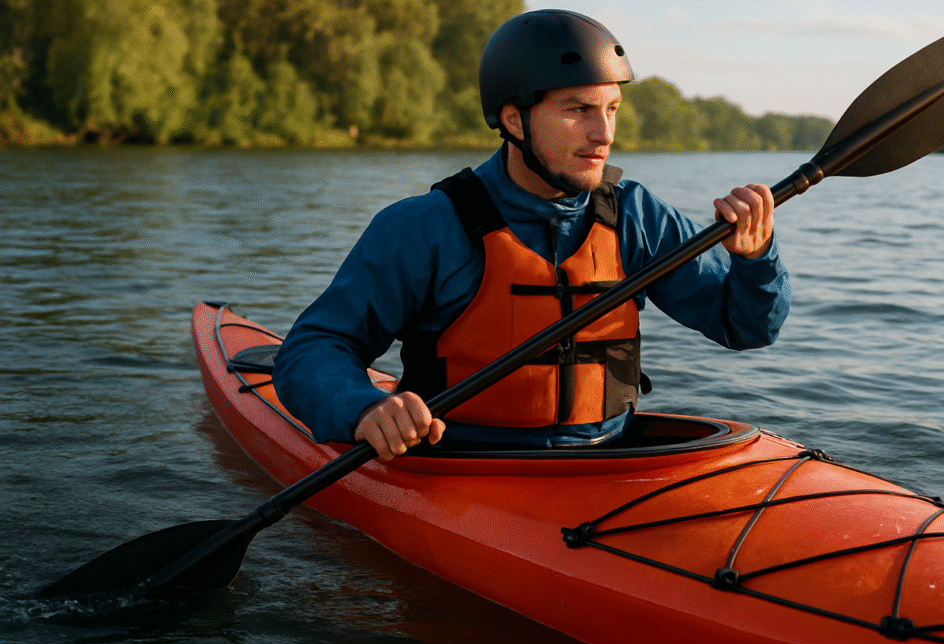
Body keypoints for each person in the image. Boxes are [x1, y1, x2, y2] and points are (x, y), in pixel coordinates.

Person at [272, 9, 791, 460]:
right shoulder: (425, 227)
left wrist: (756, 258)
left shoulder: (635, 216)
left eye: (611, 109)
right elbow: (313, 348)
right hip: (462, 462)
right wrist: (363, 409)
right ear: (514, 119)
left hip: (610, 459)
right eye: (578, 110)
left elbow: (745, 328)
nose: (604, 134)